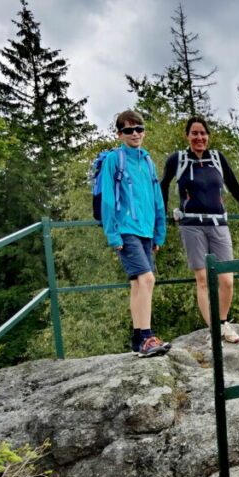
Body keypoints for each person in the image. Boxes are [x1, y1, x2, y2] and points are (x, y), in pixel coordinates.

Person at [160, 116, 239, 343]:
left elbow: (233, 184)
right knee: (204, 280)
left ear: (208, 136)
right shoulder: (177, 159)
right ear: (187, 136)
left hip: (219, 224)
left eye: (203, 133)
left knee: (227, 280)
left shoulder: (217, 158)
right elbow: (163, 185)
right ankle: (215, 331)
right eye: (194, 133)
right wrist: (163, 215)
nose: (199, 138)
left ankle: (223, 322)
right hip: (191, 226)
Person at [100, 110, 172, 357]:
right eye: (129, 130)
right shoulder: (114, 159)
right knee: (147, 279)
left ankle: (137, 339)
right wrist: (113, 234)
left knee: (138, 284)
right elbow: (108, 200)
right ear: (119, 134)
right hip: (126, 229)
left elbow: (157, 200)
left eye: (139, 129)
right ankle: (146, 336)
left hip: (146, 231)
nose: (135, 134)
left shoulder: (148, 161)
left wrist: (159, 232)